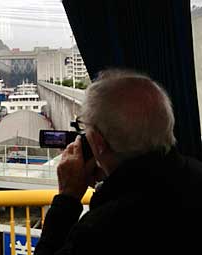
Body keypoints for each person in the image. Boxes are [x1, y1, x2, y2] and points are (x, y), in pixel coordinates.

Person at [34, 70, 202, 254]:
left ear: (98, 142)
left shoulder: (98, 232)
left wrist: (67, 199)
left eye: (84, 128)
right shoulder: (194, 174)